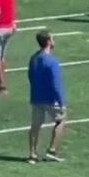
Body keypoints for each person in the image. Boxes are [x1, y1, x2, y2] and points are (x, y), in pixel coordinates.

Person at [27, 30, 66, 164]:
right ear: (49, 42)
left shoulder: (34, 58)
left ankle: (32, 153)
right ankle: (53, 149)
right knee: (61, 120)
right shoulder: (52, 61)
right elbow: (56, 84)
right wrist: (61, 101)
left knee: (35, 126)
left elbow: (30, 77)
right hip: (50, 98)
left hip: (36, 96)